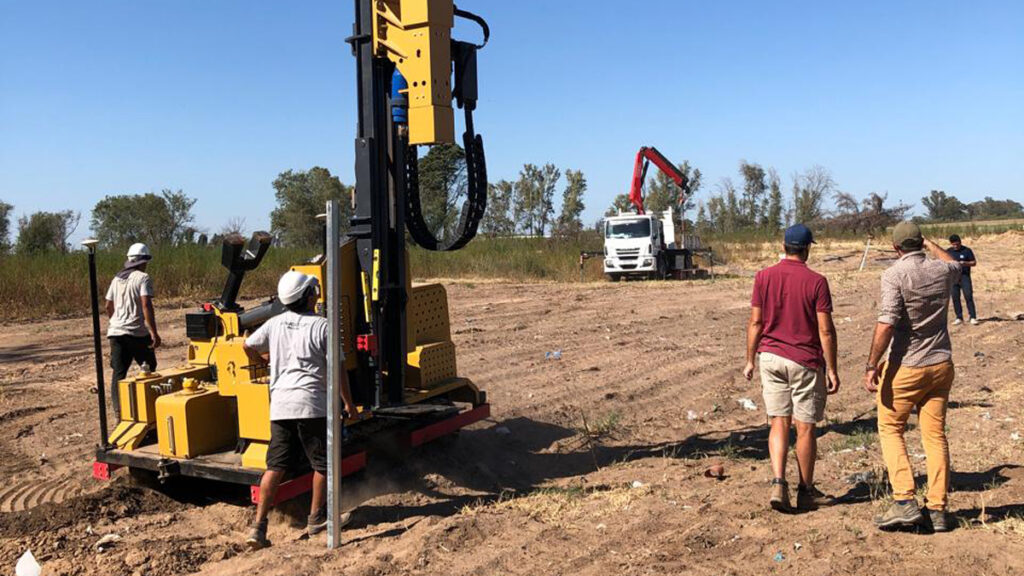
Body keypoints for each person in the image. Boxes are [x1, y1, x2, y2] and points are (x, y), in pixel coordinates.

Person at [244, 270, 358, 550]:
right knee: (324, 464)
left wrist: (263, 360)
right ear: (308, 297)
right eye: (313, 292)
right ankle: (317, 519)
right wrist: (348, 404)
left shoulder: (273, 324)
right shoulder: (323, 326)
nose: (316, 295)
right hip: (311, 404)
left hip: (280, 406)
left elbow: (247, 345)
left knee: (275, 466)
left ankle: (258, 528)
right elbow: (338, 368)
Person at [863, 221, 961, 533]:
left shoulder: (894, 274)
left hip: (907, 365)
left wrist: (871, 364)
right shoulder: (941, 270)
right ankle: (938, 508)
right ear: (921, 243)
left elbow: (887, 322)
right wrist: (931, 244)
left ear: (895, 248)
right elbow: (955, 264)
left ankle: (905, 500)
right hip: (941, 364)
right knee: (935, 435)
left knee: (891, 428)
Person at [744, 224, 840, 512]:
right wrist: (832, 368)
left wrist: (750, 359)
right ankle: (806, 490)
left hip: (770, 358)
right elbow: (825, 330)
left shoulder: (763, 277)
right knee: (805, 427)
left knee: (778, 421)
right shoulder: (817, 282)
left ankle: (778, 483)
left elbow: (756, 322)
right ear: (807, 248)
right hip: (804, 361)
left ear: (783, 246)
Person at [105, 243, 161, 419]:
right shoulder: (143, 278)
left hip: (115, 332)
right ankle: (148, 409)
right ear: (143, 261)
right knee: (149, 367)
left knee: (119, 373)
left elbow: (108, 305)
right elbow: (146, 304)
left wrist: (115, 322)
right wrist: (154, 332)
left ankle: (119, 412)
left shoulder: (116, 278)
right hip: (136, 332)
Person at [946, 234, 978, 325]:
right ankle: (959, 317)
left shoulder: (967, 250)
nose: (955, 246)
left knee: (968, 296)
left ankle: (972, 317)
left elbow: (974, 262)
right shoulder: (948, 252)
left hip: (964, 277)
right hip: (953, 278)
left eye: (957, 244)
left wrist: (964, 263)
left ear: (960, 242)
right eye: (953, 245)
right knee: (955, 297)